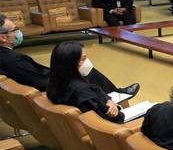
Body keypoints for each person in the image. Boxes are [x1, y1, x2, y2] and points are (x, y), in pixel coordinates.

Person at [0, 13, 138, 95]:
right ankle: (116, 95)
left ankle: (116, 93)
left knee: (79, 65)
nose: (18, 32)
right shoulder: (13, 60)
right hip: (53, 90)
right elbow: (39, 81)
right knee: (86, 68)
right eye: (15, 29)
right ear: (3, 37)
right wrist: (67, 74)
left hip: (44, 83)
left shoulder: (7, 56)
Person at [47, 42, 126, 123]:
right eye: (83, 59)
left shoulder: (55, 84)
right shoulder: (83, 92)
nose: (87, 61)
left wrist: (109, 101)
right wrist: (116, 108)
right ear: (72, 63)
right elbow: (114, 117)